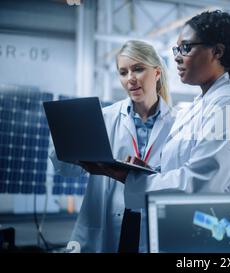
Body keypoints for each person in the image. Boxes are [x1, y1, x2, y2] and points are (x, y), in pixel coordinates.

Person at [100, 10, 230, 210]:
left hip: (218, 231)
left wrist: (138, 183)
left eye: (186, 48)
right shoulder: (202, 105)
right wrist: (149, 174)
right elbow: (185, 169)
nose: (177, 58)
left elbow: (201, 184)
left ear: (217, 52)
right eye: (177, 49)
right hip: (191, 225)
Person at [49, 40, 175, 253]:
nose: (130, 79)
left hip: (154, 220)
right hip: (108, 222)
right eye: (123, 72)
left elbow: (181, 181)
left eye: (138, 69)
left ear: (157, 73)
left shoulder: (179, 124)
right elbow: (68, 170)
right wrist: (64, 144)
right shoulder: (103, 119)